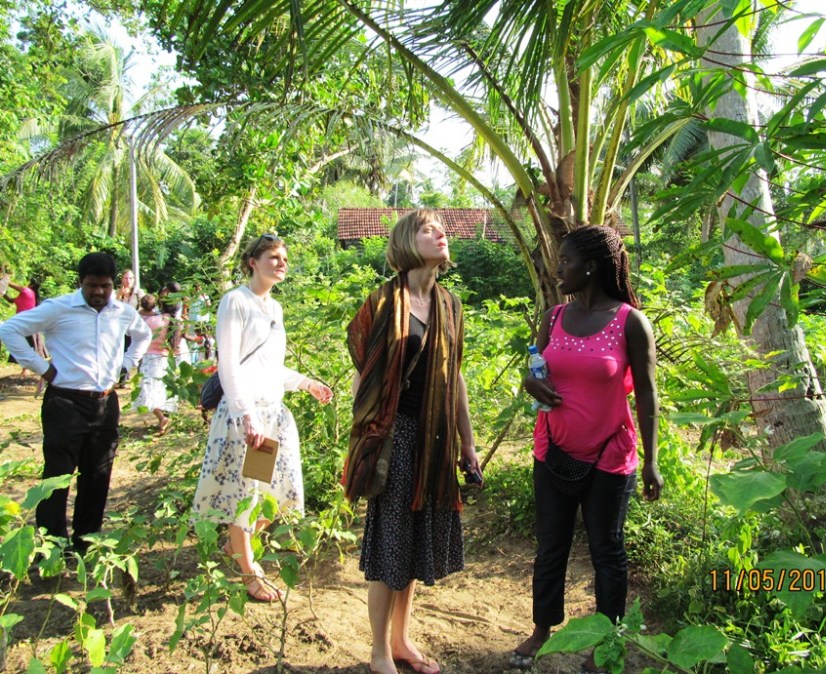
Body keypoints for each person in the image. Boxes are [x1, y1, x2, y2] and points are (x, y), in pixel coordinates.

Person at [509, 225, 662, 674]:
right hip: (552, 450)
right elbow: (536, 366)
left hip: (609, 456)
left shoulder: (630, 322)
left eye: (566, 261)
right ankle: (542, 630)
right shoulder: (554, 316)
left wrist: (651, 462)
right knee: (550, 545)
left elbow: (648, 394)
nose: (558, 270)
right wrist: (530, 381)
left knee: (606, 551)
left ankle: (606, 642)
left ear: (591, 266)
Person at [344, 209, 482, 674]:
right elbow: (365, 371)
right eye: (428, 229)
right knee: (391, 546)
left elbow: (454, 376)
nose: (441, 233)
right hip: (396, 439)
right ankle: (379, 652)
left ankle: (401, 641)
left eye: (442, 228)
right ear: (407, 241)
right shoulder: (383, 302)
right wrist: (367, 433)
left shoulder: (450, 305)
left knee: (415, 543)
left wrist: (467, 443)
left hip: (435, 440)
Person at [191, 234, 333, 602]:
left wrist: (305, 383)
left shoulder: (275, 309)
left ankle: (237, 548)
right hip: (246, 416)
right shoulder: (235, 301)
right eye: (273, 257)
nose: (281, 263)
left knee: (276, 493)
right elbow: (228, 365)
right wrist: (246, 416)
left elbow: (269, 367)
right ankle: (249, 572)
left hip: (272, 412)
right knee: (246, 494)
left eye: (284, 258)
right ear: (252, 262)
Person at [0, 253, 152, 554]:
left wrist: (127, 365)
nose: (98, 292)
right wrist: (42, 367)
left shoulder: (122, 312)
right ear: (81, 282)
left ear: (113, 285)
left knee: (98, 475)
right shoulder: (58, 308)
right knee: (57, 477)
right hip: (65, 403)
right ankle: (52, 546)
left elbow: (143, 335)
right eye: (91, 285)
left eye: (105, 286)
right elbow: (9, 329)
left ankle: (86, 543)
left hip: (105, 403)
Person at [133, 294, 178, 435]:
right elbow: (176, 344)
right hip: (167, 358)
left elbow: (138, 337)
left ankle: (161, 418)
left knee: (148, 390)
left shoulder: (152, 321)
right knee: (162, 389)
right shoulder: (175, 322)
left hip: (151, 357)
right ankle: (163, 419)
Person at [2, 275, 42, 375]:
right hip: (21, 323)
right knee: (22, 344)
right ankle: (26, 368)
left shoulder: (28, 292)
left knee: (26, 345)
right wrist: (3, 293)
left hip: (28, 323)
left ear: (31, 285)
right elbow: (10, 300)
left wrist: (4, 280)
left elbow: (10, 284)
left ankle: (27, 369)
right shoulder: (23, 295)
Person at [115, 269, 144, 387]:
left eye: (130, 278)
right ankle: (123, 380)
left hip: (136, 326)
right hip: (123, 328)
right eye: (126, 278)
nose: (128, 281)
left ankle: (142, 379)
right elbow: (113, 308)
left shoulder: (138, 293)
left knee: (139, 352)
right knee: (123, 353)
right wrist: (119, 295)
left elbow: (144, 308)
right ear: (122, 279)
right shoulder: (119, 293)